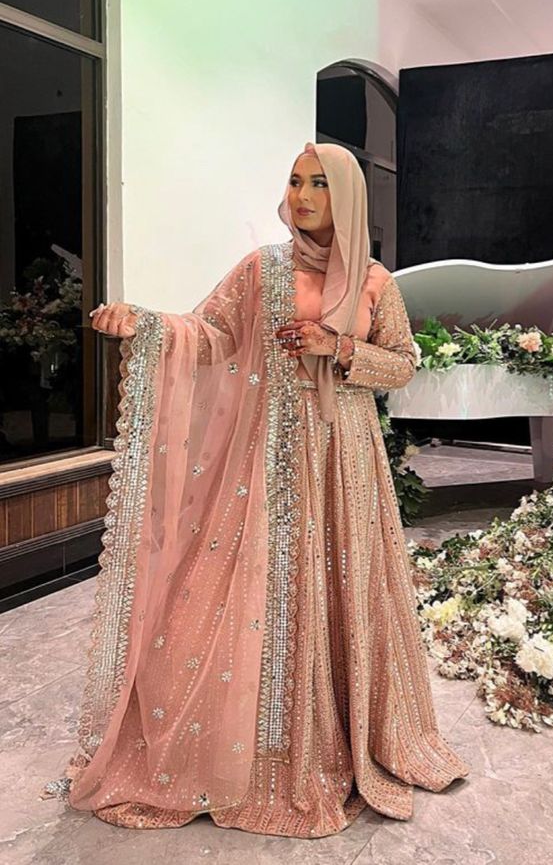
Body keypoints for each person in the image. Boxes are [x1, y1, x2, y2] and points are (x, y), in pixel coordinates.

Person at [40, 141, 469, 837]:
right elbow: (210, 336)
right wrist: (148, 324)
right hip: (265, 455)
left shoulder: (372, 282)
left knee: (339, 587)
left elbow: (402, 366)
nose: (301, 195)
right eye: (295, 181)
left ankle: (336, 736)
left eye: (319, 184)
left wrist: (341, 350)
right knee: (251, 588)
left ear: (348, 197)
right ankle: (258, 740)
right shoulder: (262, 269)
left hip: (346, 458)